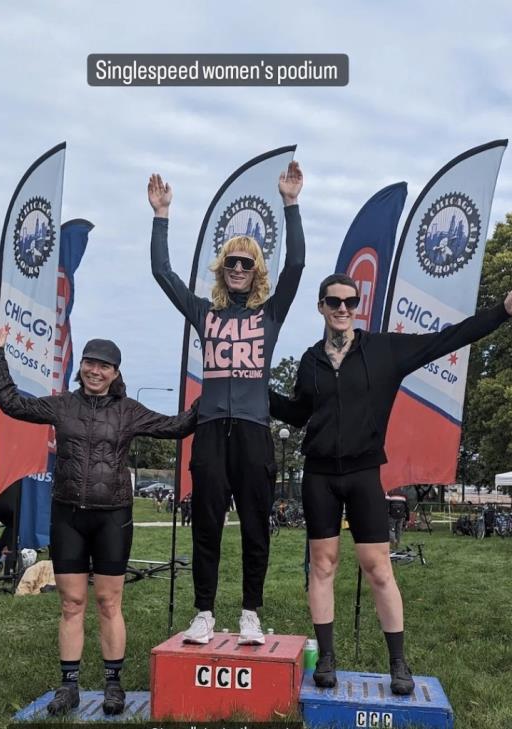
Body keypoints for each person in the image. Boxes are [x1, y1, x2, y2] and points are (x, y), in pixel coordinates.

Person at [270, 273, 512, 695]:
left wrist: (503, 312)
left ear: (357, 306)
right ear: (321, 307)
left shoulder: (385, 350)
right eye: (333, 302)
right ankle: (326, 658)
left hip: (365, 473)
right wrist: (255, 387)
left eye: (349, 302)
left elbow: (448, 339)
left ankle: (398, 663)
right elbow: (296, 415)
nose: (341, 309)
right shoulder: (310, 361)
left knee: (379, 568)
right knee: (322, 566)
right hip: (319, 474)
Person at [0, 328, 197, 716]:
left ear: (115, 373)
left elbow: (177, 426)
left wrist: (212, 397)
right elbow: (12, 403)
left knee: (108, 601)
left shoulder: (129, 411)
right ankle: (69, 687)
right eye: (89, 363)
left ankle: (113, 684)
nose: (94, 371)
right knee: (71, 603)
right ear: (80, 366)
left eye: (104, 366)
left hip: (113, 516)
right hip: (67, 515)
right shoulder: (62, 405)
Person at [149, 162, 305, 645]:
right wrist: (161, 215)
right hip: (213, 429)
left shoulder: (270, 314)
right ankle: (203, 612)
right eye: (232, 263)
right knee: (208, 524)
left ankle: (251, 613)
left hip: (256, 430)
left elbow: (297, 266)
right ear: (222, 270)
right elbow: (162, 272)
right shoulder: (204, 312)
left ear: (256, 273)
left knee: (256, 525)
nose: (239, 269)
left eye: (248, 264)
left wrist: (292, 205)